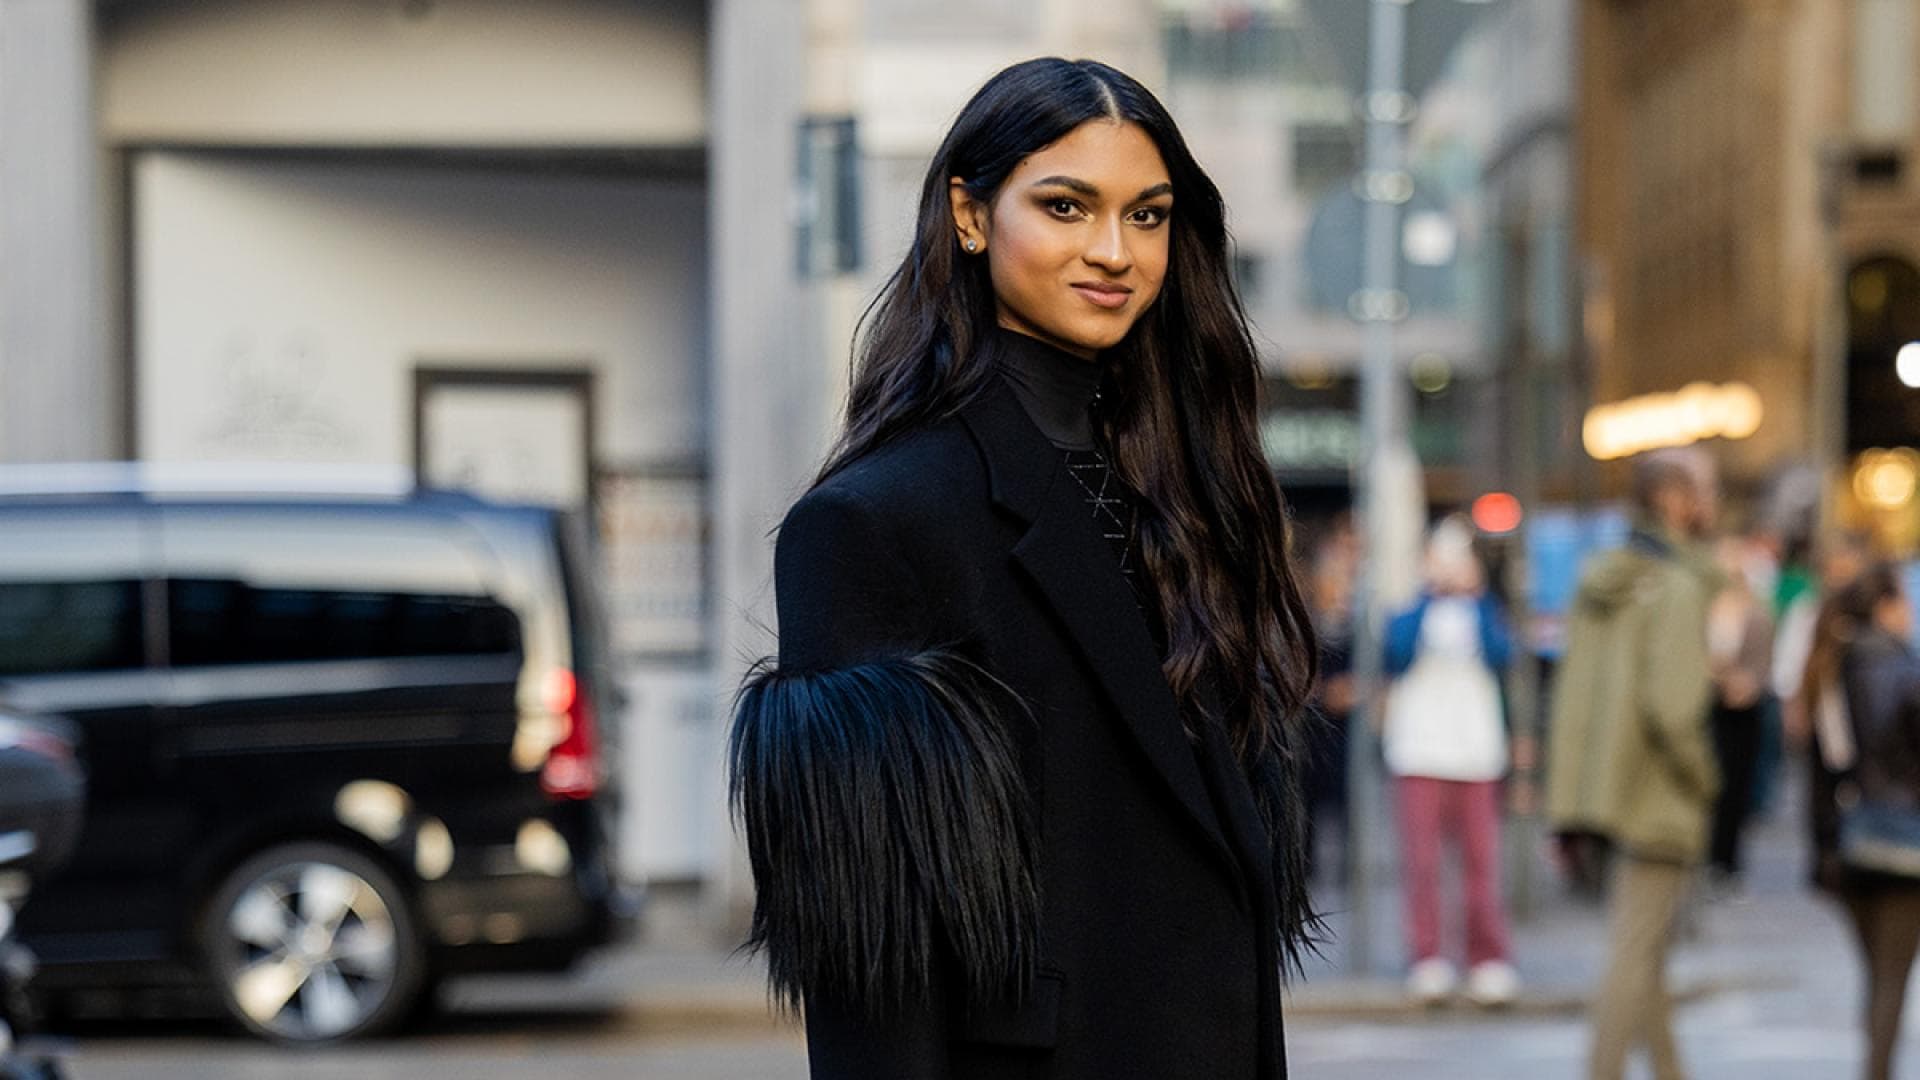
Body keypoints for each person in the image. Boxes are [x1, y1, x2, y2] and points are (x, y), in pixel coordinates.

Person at [727, 58, 1320, 1080]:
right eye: (1065, 206)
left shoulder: (1187, 496)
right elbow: (876, 982)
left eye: (1147, 215)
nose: (1114, 251)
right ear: (970, 215)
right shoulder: (873, 521)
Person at [1543, 447, 1721, 1080]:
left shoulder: (1607, 577)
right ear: (1673, 500)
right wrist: (1706, 780)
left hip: (1607, 786)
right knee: (1634, 953)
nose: (1712, 503)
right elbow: (1672, 709)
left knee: (1644, 955)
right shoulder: (1674, 584)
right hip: (1659, 789)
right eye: (1704, 490)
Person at [1381, 516, 1519, 1007]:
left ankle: (1487, 958)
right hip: (1419, 751)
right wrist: (1428, 595)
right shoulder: (1408, 612)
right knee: (1422, 863)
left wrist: (1476, 597)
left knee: (1481, 863)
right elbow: (1395, 653)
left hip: (1476, 753)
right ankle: (1428, 956)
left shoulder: (1485, 611)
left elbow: (1503, 653)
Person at [1805, 563, 1920, 1080]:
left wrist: (1824, 851)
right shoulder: (1906, 670)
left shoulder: (1830, 671)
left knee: (1876, 973)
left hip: (1850, 842)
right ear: (1886, 608)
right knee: (1891, 979)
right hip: (1905, 843)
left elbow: (1820, 773)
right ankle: (1877, 1071)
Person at [1705, 538, 1773, 889]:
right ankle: (1709, 857)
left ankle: (1728, 861)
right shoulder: (1705, 609)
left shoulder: (1757, 613)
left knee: (1737, 788)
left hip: (1745, 710)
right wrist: (1719, 677)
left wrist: (1748, 684)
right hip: (1713, 706)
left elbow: (1764, 663)